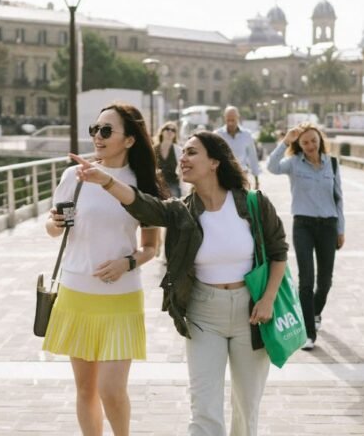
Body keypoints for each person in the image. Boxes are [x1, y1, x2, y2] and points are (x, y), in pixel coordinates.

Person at [69, 131, 288, 436]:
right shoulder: (181, 211)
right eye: (182, 152)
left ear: (214, 161)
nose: (182, 158)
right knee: (204, 409)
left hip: (251, 313)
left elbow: (278, 253)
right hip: (203, 313)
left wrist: (267, 299)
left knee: (246, 407)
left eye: (192, 152)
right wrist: (106, 180)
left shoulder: (253, 204)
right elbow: (143, 204)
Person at [43, 104, 163, 436]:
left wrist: (127, 262)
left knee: (111, 391)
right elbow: (54, 230)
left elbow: (152, 247)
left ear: (129, 140)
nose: (98, 136)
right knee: (85, 390)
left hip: (121, 298)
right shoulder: (74, 177)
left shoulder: (142, 184)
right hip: (76, 295)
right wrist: (53, 223)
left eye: (107, 131)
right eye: (95, 129)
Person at [266, 122, 344, 351]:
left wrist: (341, 229)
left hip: (329, 225)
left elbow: (339, 198)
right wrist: (286, 141)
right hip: (303, 225)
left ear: (320, 140)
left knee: (325, 281)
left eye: (313, 140)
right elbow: (271, 166)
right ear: (299, 145)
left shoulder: (333, 163)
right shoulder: (293, 164)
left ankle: (315, 312)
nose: (310, 145)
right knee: (306, 279)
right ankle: (308, 332)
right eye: (305, 142)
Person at [215, 106, 261, 189]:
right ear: (224, 118)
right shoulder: (218, 135)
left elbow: (252, 157)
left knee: (242, 201)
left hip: (242, 176)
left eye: (233, 120)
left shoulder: (247, 135)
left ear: (238, 118)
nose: (230, 123)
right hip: (223, 176)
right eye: (228, 120)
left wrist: (256, 180)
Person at [154, 121, 183, 197]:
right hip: (156, 186)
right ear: (162, 131)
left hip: (174, 185)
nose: (170, 131)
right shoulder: (153, 149)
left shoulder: (179, 150)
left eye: (173, 130)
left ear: (175, 134)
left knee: (174, 208)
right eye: (167, 129)